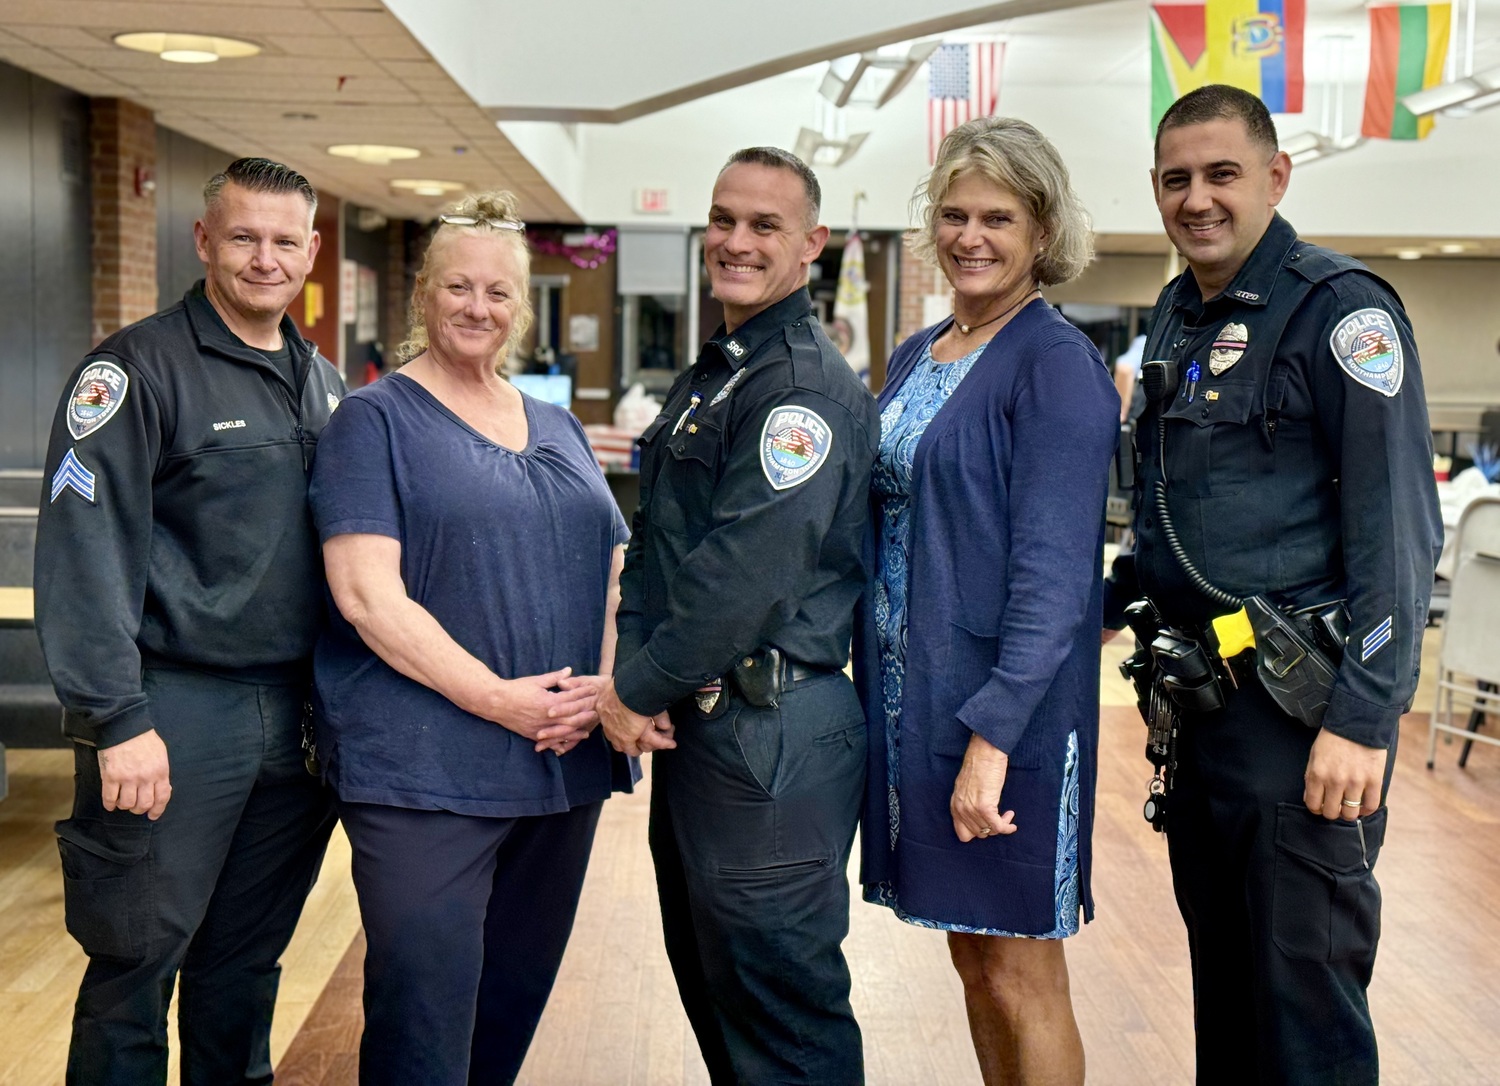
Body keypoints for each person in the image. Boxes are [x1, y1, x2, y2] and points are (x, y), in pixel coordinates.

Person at [1105, 85, 1443, 1083]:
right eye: (1177, 179)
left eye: (1222, 175)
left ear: (1276, 177)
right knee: (1230, 1000)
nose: (1198, 198)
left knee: (1306, 1016)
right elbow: (1163, 529)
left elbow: (1398, 531)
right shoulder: (1176, 316)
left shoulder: (1341, 313)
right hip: (1202, 720)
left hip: (1301, 722)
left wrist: (1365, 721)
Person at [308, 190, 636, 1086]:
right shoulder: (371, 422)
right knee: (424, 1011)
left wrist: (604, 692)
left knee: (509, 1004)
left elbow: (615, 566)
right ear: (423, 293)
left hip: (559, 764)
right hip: (426, 772)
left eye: (497, 293)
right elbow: (366, 596)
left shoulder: (560, 427)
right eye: (458, 287)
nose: (477, 308)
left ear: (520, 306)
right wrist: (501, 698)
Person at [34, 157, 343, 1085]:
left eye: (285, 241)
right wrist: (116, 720)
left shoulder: (323, 384)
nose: (264, 258)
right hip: (172, 712)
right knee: (135, 965)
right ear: (203, 240)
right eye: (243, 236)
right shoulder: (133, 370)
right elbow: (84, 554)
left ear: (312, 252)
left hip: (295, 724)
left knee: (244, 971)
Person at [596, 147, 879, 1085]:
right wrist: (641, 681)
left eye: (765, 226)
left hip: (772, 737)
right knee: (720, 992)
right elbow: (661, 548)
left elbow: (740, 576)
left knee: (783, 1018)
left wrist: (629, 691)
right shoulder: (720, 369)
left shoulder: (797, 387)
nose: (736, 241)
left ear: (813, 245)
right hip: (710, 724)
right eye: (724, 220)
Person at [855, 117, 1119, 1086]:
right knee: (972, 958)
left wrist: (993, 738)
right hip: (914, 702)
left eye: (998, 218)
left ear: (1041, 232)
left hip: (1005, 718)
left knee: (1020, 967)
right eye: (956, 214)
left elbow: (1054, 585)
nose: (972, 235)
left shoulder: (1054, 366)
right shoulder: (920, 352)